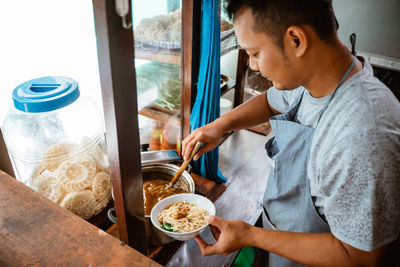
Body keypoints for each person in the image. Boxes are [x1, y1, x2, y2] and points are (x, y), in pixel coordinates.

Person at [181, 0, 400, 266]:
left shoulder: (362, 134)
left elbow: (360, 256)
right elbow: (271, 101)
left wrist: (251, 235)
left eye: (255, 52)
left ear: (296, 40)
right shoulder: (314, 77)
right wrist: (221, 125)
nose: (253, 66)